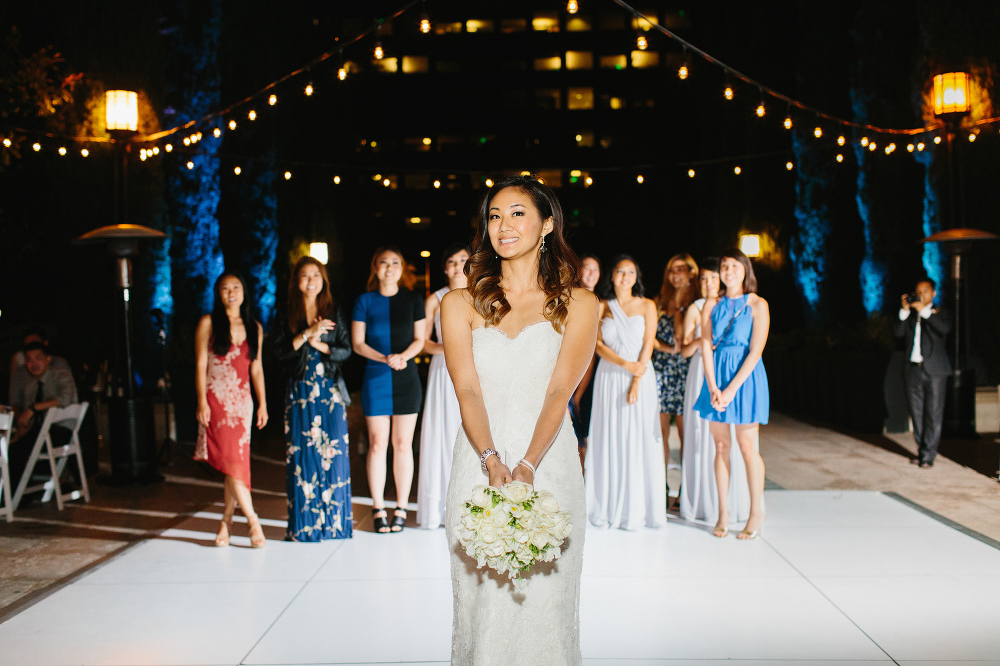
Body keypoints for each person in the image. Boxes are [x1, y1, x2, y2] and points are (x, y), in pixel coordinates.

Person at [442, 175, 598, 664]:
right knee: (480, 606)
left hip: (547, 462)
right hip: (478, 459)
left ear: (547, 223)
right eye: (494, 215)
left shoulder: (581, 303)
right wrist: (490, 459)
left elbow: (559, 390)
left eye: (516, 213)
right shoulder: (459, 303)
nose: (502, 225)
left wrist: (528, 463)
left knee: (547, 606)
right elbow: (466, 388)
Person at [585, 255, 667, 530]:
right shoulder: (602, 306)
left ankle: (638, 509)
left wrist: (635, 378)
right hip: (609, 375)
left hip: (640, 376)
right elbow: (595, 344)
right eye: (620, 271)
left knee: (639, 436)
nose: (625, 276)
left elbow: (648, 345)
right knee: (610, 435)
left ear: (637, 277)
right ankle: (606, 505)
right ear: (612, 276)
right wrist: (623, 364)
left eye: (631, 272)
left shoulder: (647, 305)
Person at [275, 256, 353, 541]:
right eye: (305, 276)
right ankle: (305, 526)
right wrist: (306, 334)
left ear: (324, 281)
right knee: (302, 456)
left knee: (334, 456)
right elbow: (281, 352)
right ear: (296, 281)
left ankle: (335, 525)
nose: (311, 281)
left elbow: (345, 351)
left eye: (316, 276)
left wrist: (317, 342)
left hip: (330, 391)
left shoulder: (332, 310)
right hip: (299, 392)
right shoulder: (285, 313)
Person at [694, 249, 769, 540]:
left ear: (745, 269)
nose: (728, 271)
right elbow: (705, 345)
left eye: (734, 266)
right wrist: (714, 387)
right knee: (721, 446)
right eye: (724, 266)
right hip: (716, 377)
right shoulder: (711, 305)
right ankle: (723, 512)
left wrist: (731, 389)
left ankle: (755, 512)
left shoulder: (758, 304)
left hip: (745, 378)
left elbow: (756, 350)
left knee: (747, 446)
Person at [352, 247, 426, 533]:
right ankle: (378, 507)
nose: (389, 267)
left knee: (402, 444)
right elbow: (358, 343)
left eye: (396, 262)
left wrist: (403, 356)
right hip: (376, 377)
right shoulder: (364, 301)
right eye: (384, 262)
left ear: (402, 268)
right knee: (376, 443)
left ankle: (401, 508)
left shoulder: (413, 299)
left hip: (406, 378)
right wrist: (384, 358)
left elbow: (420, 339)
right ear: (375, 267)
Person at [195, 273, 269, 548]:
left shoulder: (254, 327)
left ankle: (226, 521)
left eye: (236, 287)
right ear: (218, 294)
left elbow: (257, 368)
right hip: (216, 400)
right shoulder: (209, 322)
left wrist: (263, 403)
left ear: (244, 292)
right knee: (232, 462)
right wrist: (202, 401)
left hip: (243, 402)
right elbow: (201, 363)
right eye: (225, 288)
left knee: (234, 464)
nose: (231, 292)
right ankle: (253, 521)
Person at [678, 259, 751, 524]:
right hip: (701, 370)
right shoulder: (698, 308)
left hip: (725, 370)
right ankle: (704, 502)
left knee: (737, 442)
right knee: (701, 437)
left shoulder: (732, 305)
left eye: (713, 278)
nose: (709, 283)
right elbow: (684, 349)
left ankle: (737, 503)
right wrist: (703, 340)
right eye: (705, 279)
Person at [416, 243, 469, 529]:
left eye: (463, 259)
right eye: (452, 260)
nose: (458, 265)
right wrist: (450, 347)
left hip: (475, 369)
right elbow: (423, 342)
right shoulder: (434, 299)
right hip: (443, 369)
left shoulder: (482, 293)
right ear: (444, 267)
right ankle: (440, 508)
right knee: (443, 432)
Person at [652, 254, 698, 487]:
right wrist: (666, 348)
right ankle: (662, 488)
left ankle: (686, 491)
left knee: (685, 433)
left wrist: (680, 306)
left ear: (692, 272)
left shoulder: (697, 302)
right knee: (660, 434)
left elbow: (683, 338)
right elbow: (648, 336)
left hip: (686, 371)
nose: (675, 274)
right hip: (661, 369)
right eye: (671, 270)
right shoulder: (659, 300)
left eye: (681, 269)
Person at [894, 278, 951, 468]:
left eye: (926, 291)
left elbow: (944, 328)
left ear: (933, 294)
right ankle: (922, 450)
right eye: (918, 291)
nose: (921, 294)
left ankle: (929, 455)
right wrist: (904, 310)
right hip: (913, 369)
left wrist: (924, 311)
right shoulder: (910, 315)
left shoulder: (940, 312)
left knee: (933, 414)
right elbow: (898, 334)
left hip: (935, 370)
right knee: (916, 413)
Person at [8, 341, 78, 493]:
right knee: (10, 448)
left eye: (38, 358)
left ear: (48, 359)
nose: (33, 364)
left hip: (60, 434)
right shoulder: (30, 386)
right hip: (39, 435)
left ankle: (13, 495)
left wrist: (34, 407)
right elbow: (29, 423)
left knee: (17, 452)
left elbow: (65, 398)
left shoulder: (61, 376)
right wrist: (14, 437)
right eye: (29, 359)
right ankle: (15, 493)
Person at [570, 253, 600, 466]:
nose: (590, 273)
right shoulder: (571, 299)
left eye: (595, 269)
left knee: (591, 432)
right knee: (575, 434)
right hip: (574, 369)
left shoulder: (604, 304)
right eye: (586, 267)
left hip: (598, 371)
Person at [9, 327, 71, 406]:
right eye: (28, 345)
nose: (34, 364)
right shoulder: (29, 384)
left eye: (35, 344)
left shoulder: (60, 371)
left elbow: (66, 398)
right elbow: (15, 402)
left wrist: (36, 408)